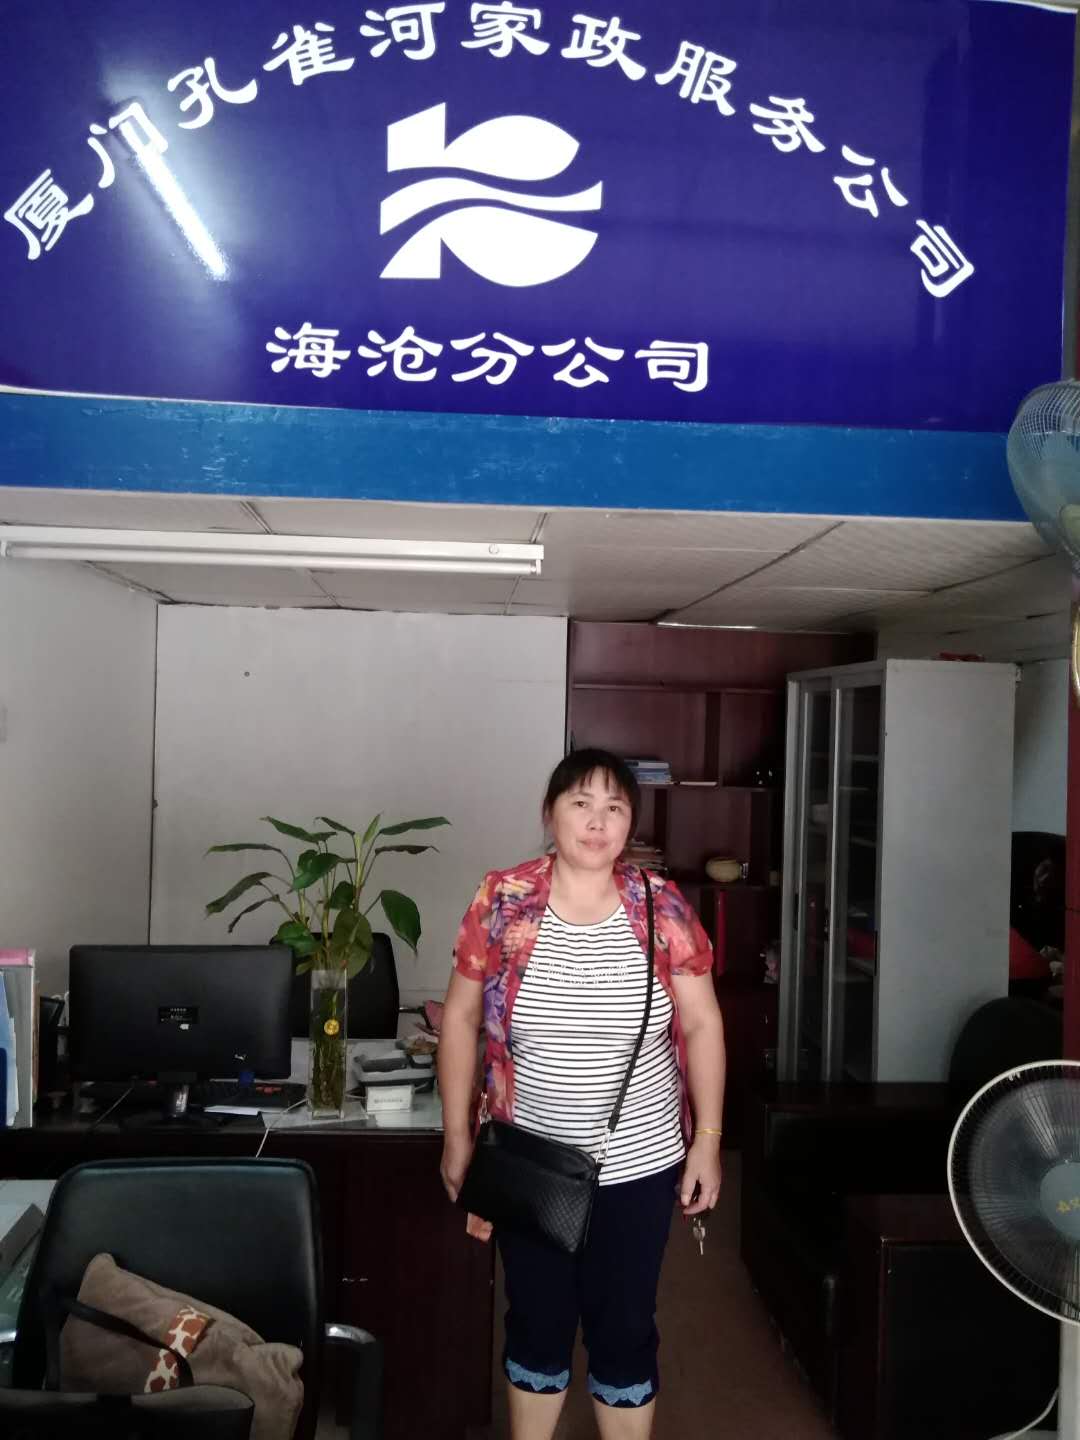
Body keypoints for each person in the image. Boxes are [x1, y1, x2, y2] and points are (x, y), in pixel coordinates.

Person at [438, 748, 726, 1439]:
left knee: (624, 1326)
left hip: (640, 1163)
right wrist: (457, 1136)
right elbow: (461, 1018)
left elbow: (702, 1022)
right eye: (581, 804)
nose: (598, 822)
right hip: (530, 1163)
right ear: (551, 814)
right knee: (535, 1321)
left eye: (615, 808)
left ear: (630, 824)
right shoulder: (503, 899)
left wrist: (709, 1141)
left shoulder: (660, 904)